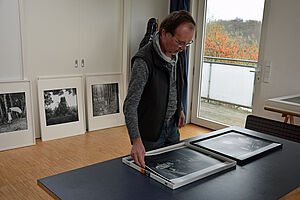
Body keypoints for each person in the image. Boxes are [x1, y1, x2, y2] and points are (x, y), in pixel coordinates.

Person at [123, 10, 196, 168]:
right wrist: (136, 141)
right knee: (148, 181)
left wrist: (179, 108)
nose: (184, 48)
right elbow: (130, 105)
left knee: (173, 171)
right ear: (164, 33)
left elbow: (176, 84)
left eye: (188, 43)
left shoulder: (178, 53)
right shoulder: (143, 61)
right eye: (180, 42)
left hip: (172, 128)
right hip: (151, 131)